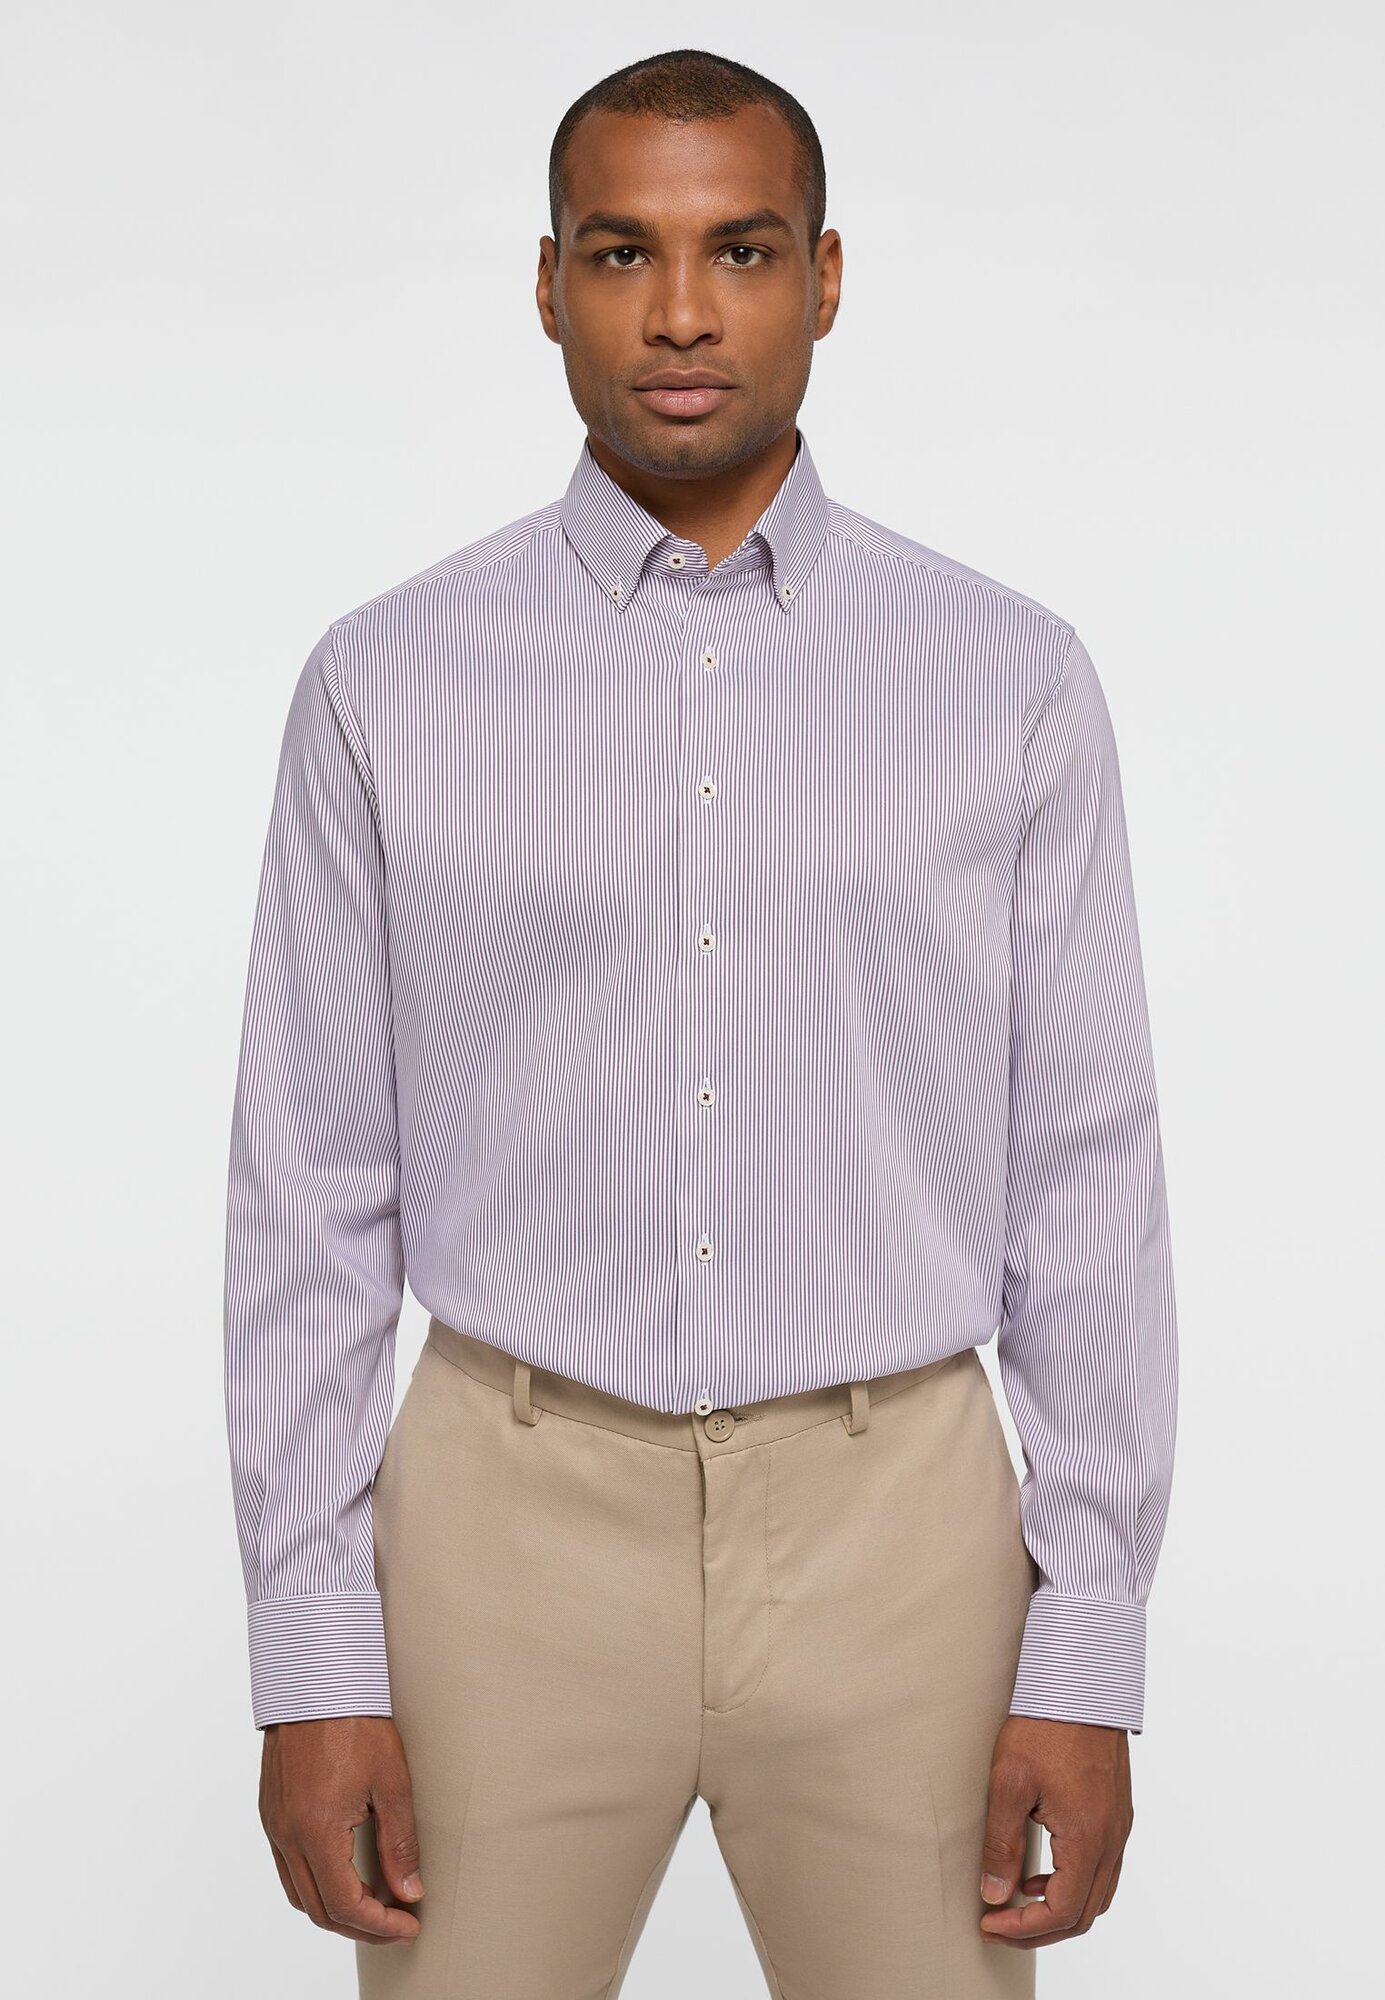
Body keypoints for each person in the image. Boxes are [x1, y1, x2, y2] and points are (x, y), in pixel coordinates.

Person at [224, 45, 1179, 2000]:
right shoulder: (386, 681)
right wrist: (314, 1656)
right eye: (620, 252)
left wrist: (1085, 1645)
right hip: (502, 1528)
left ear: (823, 278)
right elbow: (307, 1187)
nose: (679, 312)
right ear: (547, 284)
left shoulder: (1006, 678)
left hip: (904, 1532)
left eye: (739, 250)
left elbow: (1085, 1177)